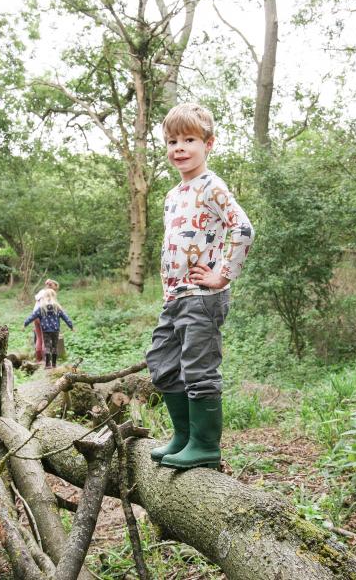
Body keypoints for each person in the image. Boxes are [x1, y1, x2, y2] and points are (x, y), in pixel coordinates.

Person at [146, 102, 254, 470]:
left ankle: (205, 445)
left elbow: (242, 229)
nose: (179, 147)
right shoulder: (173, 195)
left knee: (198, 368)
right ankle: (183, 436)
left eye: (189, 139)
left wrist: (223, 274)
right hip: (175, 297)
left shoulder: (212, 186)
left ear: (209, 144)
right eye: (172, 140)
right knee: (161, 362)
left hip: (203, 297)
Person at [24, 287, 74, 369]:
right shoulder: (57, 308)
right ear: (54, 297)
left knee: (47, 346)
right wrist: (71, 326)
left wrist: (25, 323)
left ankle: (47, 365)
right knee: (54, 347)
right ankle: (54, 365)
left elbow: (32, 316)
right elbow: (65, 317)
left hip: (45, 330)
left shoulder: (41, 308)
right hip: (55, 330)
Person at [32, 279, 61, 362]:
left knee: (39, 338)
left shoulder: (41, 292)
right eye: (56, 289)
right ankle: (45, 361)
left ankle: (38, 360)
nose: (56, 291)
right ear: (53, 288)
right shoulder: (50, 295)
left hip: (35, 316)